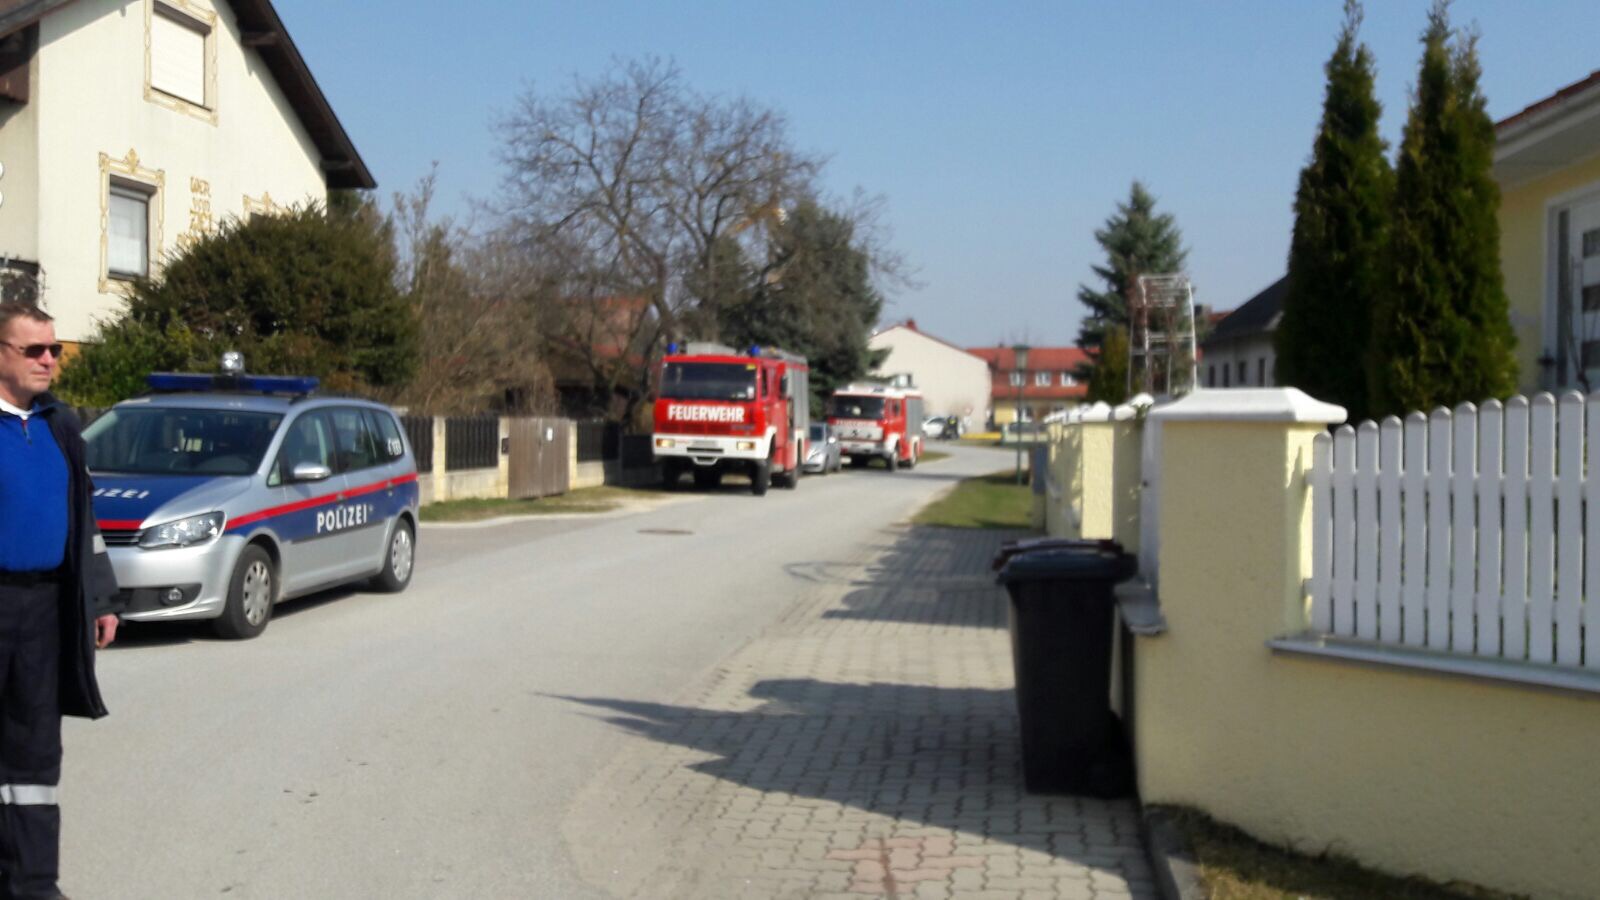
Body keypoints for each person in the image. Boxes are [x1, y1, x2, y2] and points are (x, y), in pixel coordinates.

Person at [0, 302, 121, 899]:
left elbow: (84, 518)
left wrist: (100, 597)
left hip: (46, 608)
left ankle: (32, 883)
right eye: (34, 350)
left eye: (55, 350)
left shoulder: (59, 425)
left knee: (35, 754)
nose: (49, 360)